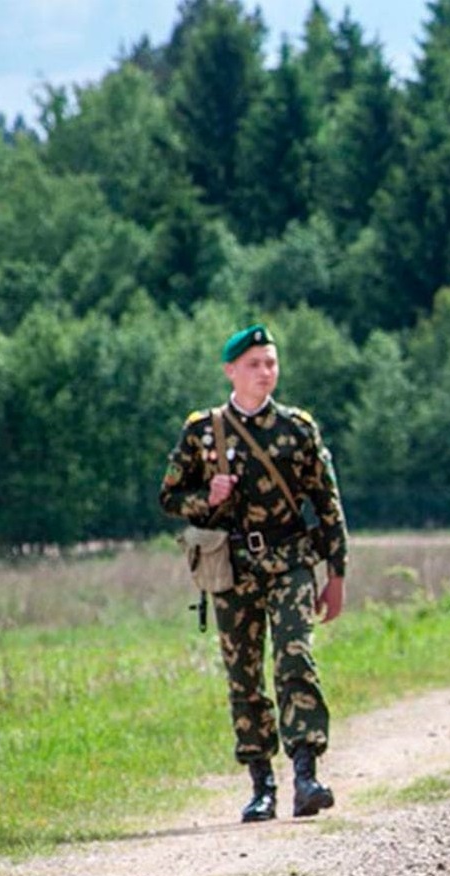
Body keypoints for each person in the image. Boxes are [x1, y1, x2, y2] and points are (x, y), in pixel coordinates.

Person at [161, 323, 349, 823]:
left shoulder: (297, 429)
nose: (265, 372)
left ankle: (306, 774)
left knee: (295, 661)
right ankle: (261, 783)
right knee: (244, 676)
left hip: (290, 562)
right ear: (230, 371)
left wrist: (336, 573)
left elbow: (327, 504)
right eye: (254, 365)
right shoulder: (203, 431)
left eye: (271, 362)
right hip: (232, 568)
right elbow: (170, 497)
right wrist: (208, 497)